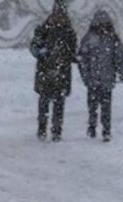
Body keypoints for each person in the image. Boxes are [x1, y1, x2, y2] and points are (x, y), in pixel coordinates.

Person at [77, 10, 123, 142]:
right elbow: (82, 60)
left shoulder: (113, 39)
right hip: (93, 80)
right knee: (92, 106)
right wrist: (86, 76)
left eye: (105, 24)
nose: (103, 26)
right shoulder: (89, 39)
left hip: (107, 79)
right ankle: (92, 127)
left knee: (106, 107)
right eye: (100, 24)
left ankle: (106, 130)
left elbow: (119, 58)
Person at [29, 3, 77, 142]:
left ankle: (56, 130)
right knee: (45, 103)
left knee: (58, 104)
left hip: (60, 72)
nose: (59, 17)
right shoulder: (44, 29)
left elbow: (72, 51)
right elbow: (34, 47)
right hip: (47, 71)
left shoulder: (68, 32)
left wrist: (73, 57)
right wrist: (41, 53)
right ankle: (42, 129)